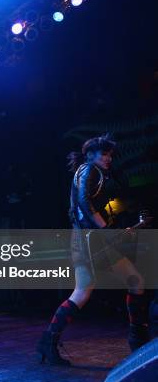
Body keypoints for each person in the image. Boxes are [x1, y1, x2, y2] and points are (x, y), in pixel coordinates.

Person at [36, 134, 150, 365]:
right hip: (89, 240)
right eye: (104, 154)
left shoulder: (98, 173)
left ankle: (137, 341)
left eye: (110, 154)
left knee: (133, 281)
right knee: (87, 291)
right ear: (91, 154)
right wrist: (105, 229)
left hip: (94, 239)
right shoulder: (88, 169)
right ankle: (48, 343)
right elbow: (84, 202)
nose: (109, 158)